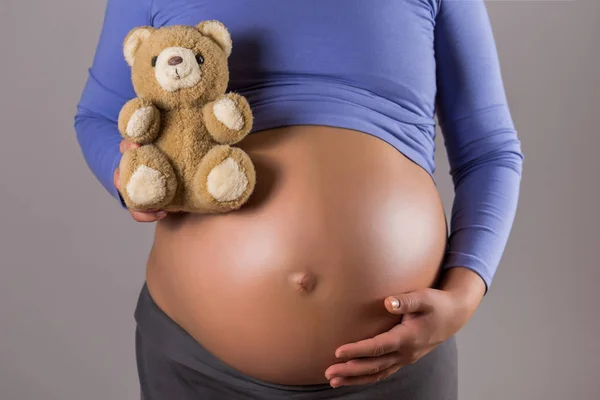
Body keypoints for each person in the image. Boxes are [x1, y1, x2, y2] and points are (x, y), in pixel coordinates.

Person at [74, 0, 524, 399]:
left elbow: (489, 150)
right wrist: (126, 178)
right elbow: (96, 116)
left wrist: (462, 300)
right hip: (197, 364)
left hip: (396, 364)